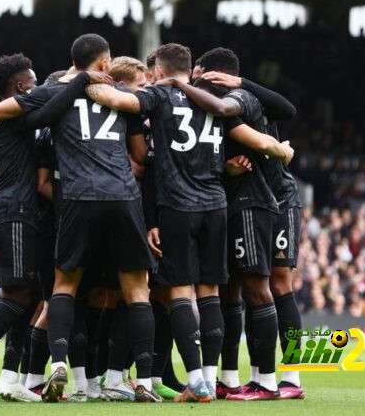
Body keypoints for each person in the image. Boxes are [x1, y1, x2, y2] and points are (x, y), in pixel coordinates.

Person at [84, 43, 293, 402]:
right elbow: (252, 132)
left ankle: (197, 382)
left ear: (160, 72)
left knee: (180, 292)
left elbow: (119, 102)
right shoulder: (215, 100)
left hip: (178, 206)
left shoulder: (161, 97)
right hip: (216, 204)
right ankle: (212, 380)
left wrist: (79, 79)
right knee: (210, 293)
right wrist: (279, 148)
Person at [0, 34, 160, 403]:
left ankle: (59, 365)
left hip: (76, 198)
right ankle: (142, 381)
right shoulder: (122, 96)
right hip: (124, 197)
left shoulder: (53, 93)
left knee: (65, 286)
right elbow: (141, 156)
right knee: (136, 289)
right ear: (104, 63)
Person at [0, 53, 107, 403]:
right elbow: (46, 110)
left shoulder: (1, 120)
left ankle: (8, 377)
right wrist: (79, 80)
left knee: (26, 296)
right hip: (12, 213)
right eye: (32, 82)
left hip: (1, 211)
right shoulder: (14, 112)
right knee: (19, 298)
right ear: (19, 87)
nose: (36, 87)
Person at [200, 48, 304, 400]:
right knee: (236, 285)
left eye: (199, 73)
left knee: (277, 283)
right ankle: (233, 376)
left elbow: (288, 110)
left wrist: (242, 83)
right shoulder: (214, 107)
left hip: (278, 198)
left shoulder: (240, 97)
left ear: (215, 76)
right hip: (245, 200)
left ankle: (289, 377)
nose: (194, 79)